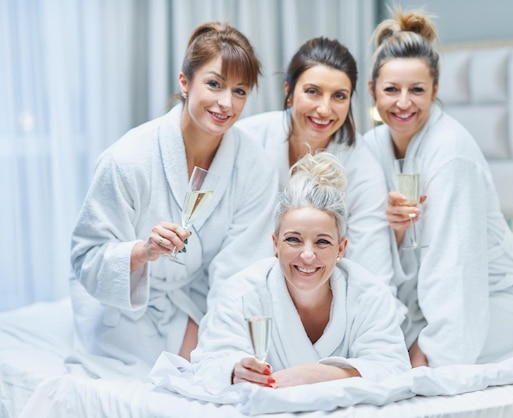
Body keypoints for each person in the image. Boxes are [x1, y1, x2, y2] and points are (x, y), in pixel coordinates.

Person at [69, 22, 278, 376]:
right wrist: (143, 252)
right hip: (124, 307)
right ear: (185, 82)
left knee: (227, 373)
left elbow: (238, 273)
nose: (226, 103)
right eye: (214, 84)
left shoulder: (254, 165)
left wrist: (223, 346)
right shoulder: (128, 159)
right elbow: (86, 259)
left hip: (195, 301)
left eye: (240, 91)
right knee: (166, 382)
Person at [364, 8, 513, 368]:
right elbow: (366, 245)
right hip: (421, 300)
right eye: (391, 89)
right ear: (372, 91)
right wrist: (394, 233)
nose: (403, 102)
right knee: (369, 350)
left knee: (406, 363)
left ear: (435, 90)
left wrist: (426, 356)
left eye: (417, 90)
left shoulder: (451, 153)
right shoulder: (370, 148)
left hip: (493, 300)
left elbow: (455, 264)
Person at [191, 152, 411, 389]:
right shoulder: (240, 293)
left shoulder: (370, 295)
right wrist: (235, 371)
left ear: (341, 248)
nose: (307, 255)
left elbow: (395, 368)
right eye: (294, 239)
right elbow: (209, 363)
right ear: (275, 244)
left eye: (323, 242)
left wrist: (319, 374)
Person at [236, 37, 395, 289]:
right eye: (313, 92)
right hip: (246, 289)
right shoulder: (247, 140)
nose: (324, 109)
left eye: (339, 96)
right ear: (288, 92)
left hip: (324, 297)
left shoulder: (362, 166)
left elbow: (372, 266)